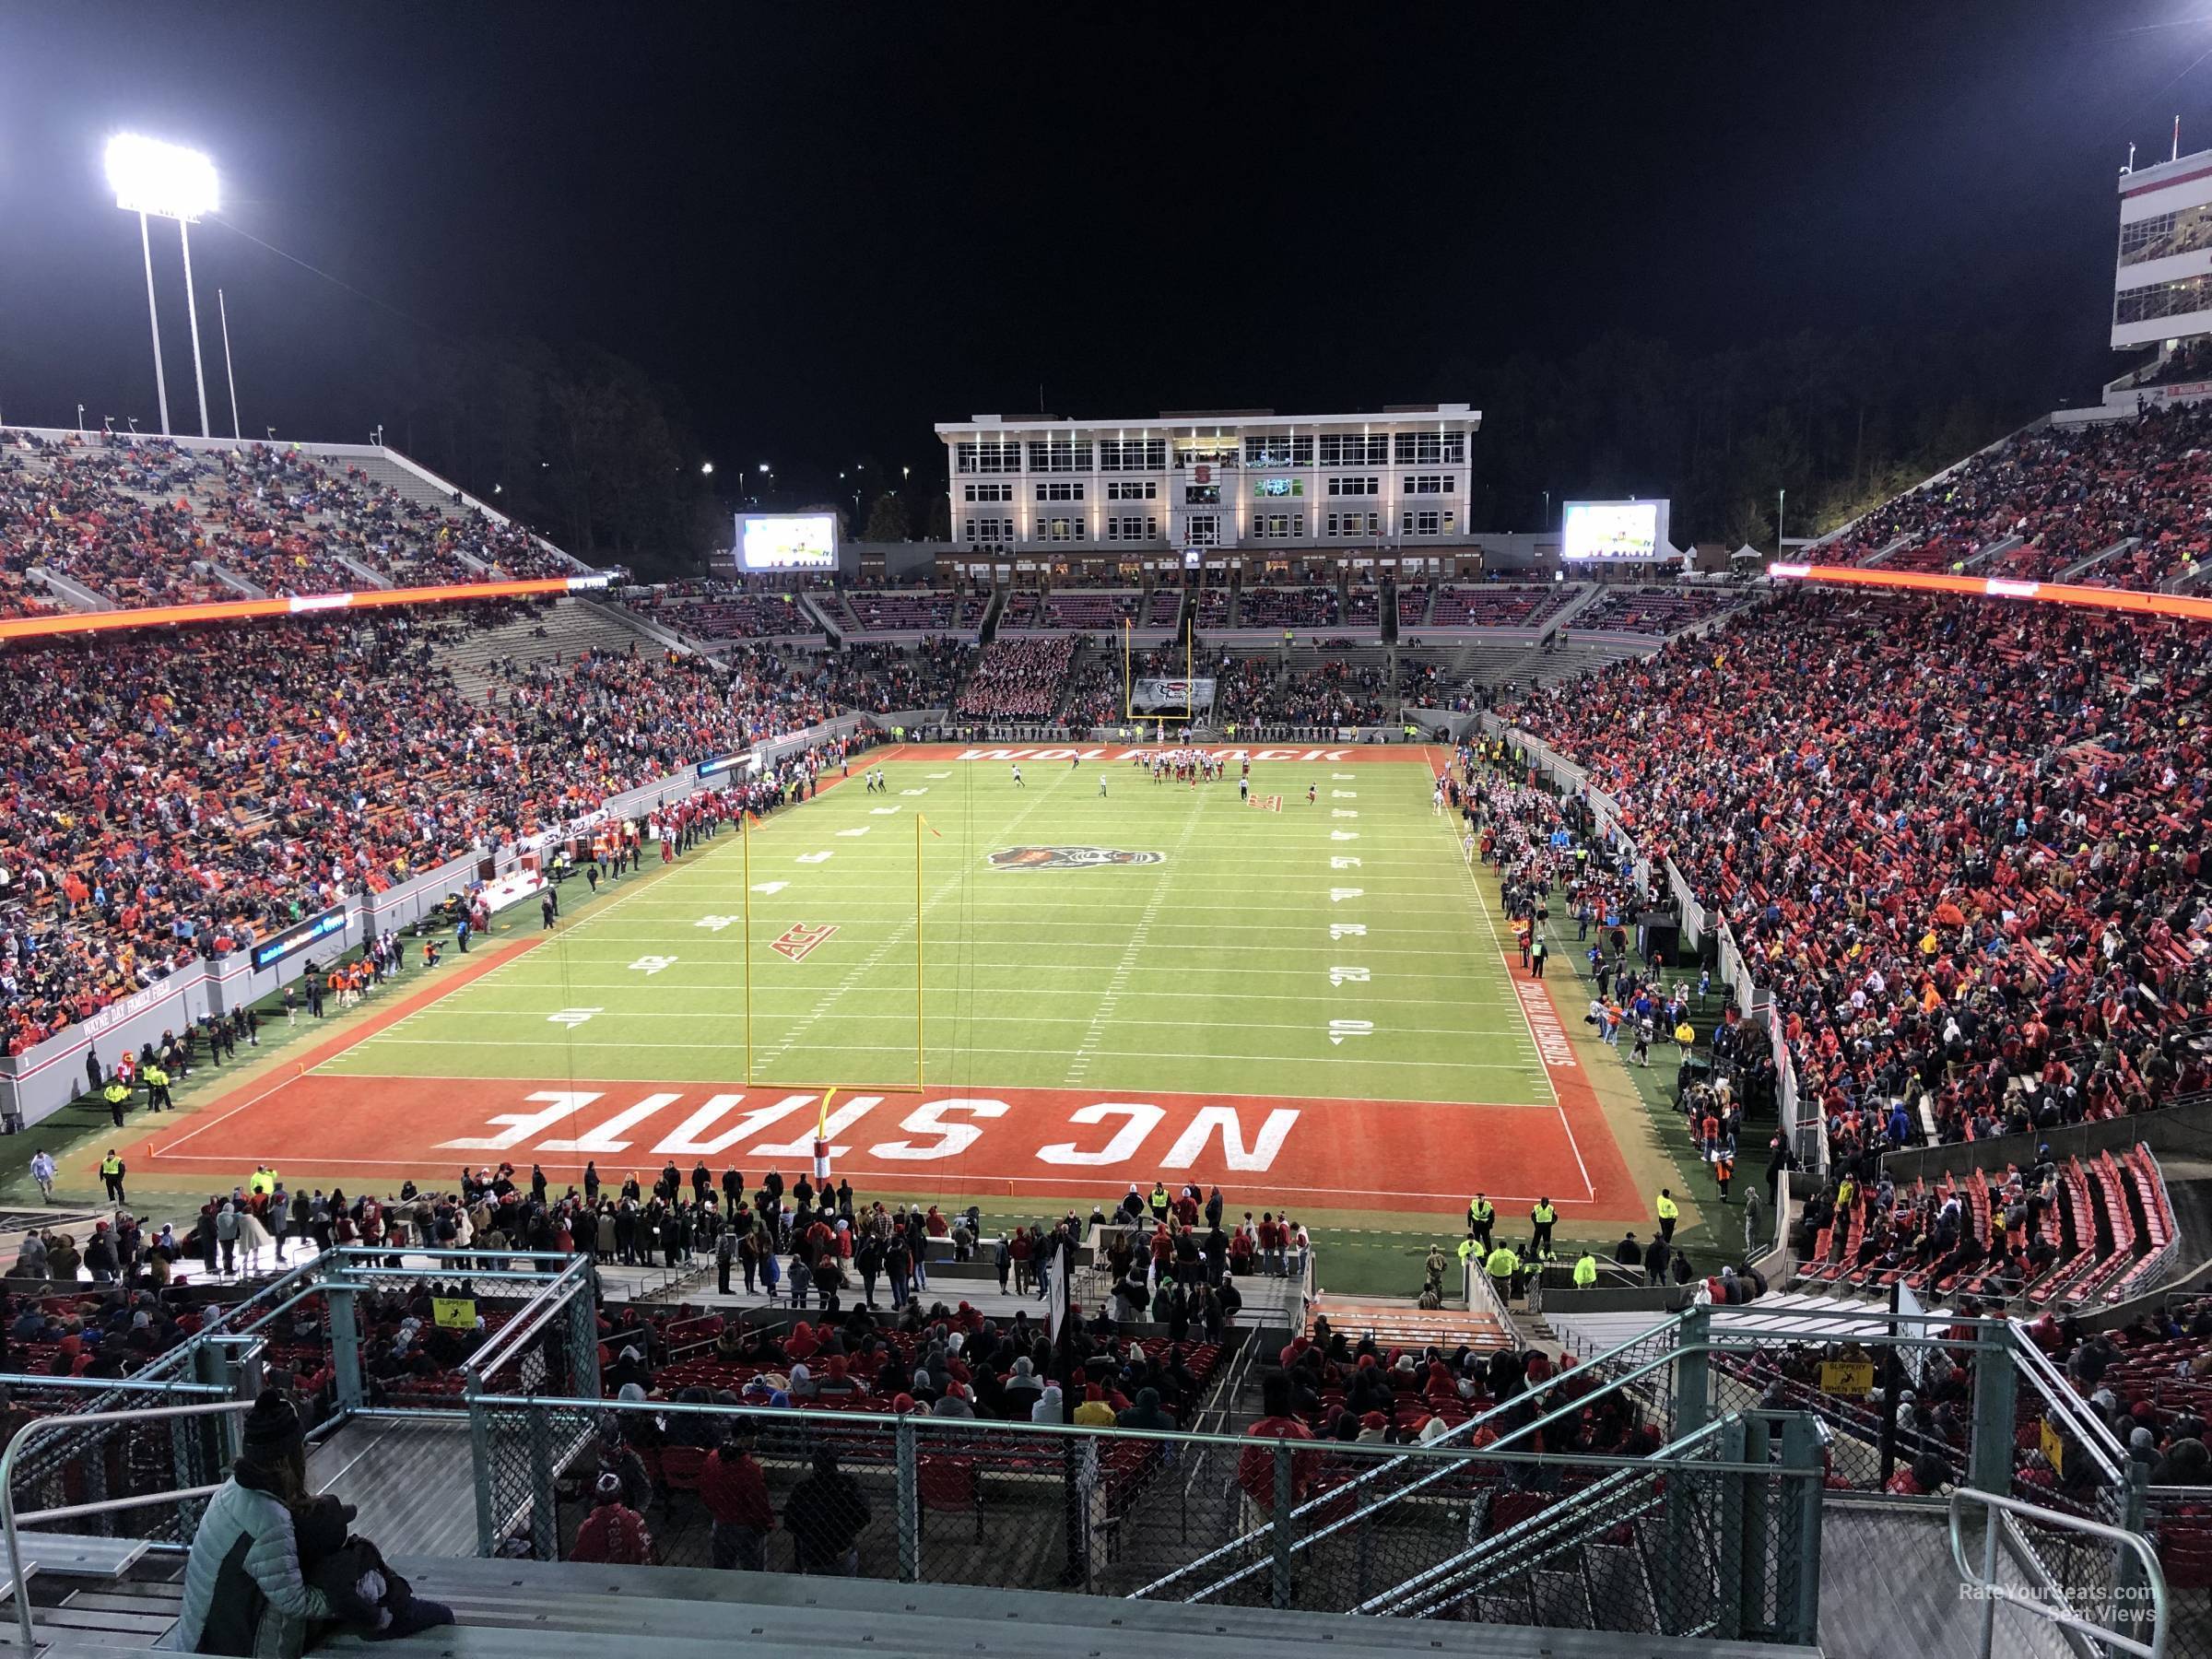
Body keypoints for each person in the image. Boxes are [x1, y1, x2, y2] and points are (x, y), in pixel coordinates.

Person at [170, 1390, 334, 1656]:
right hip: (224, 1646)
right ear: (290, 1456)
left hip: (198, 1634)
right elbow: (294, 1602)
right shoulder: (268, 1517)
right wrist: (342, 1602)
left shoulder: (232, 1488)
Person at [700, 1420, 774, 1571]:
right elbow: (759, 1503)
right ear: (743, 1438)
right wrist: (767, 1524)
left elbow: (705, 1490)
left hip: (720, 1522)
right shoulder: (749, 1469)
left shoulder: (713, 1458)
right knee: (754, 1573)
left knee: (723, 1570)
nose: (755, 1439)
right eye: (752, 1435)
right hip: (746, 1527)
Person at [785, 1445, 869, 1575]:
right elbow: (864, 1515)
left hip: (813, 1553)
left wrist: (807, 1535)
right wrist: (848, 1534)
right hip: (841, 1550)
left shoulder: (804, 1488)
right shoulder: (848, 1484)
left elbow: (790, 1521)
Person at [571, 1471, 654, 1564]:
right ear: (621, 1495)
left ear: (597, 1497)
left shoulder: (588, 1526)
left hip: (600, 1574)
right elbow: (648, 1550)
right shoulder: (634, 1518)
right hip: (634, 1571)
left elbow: (577, 1558)